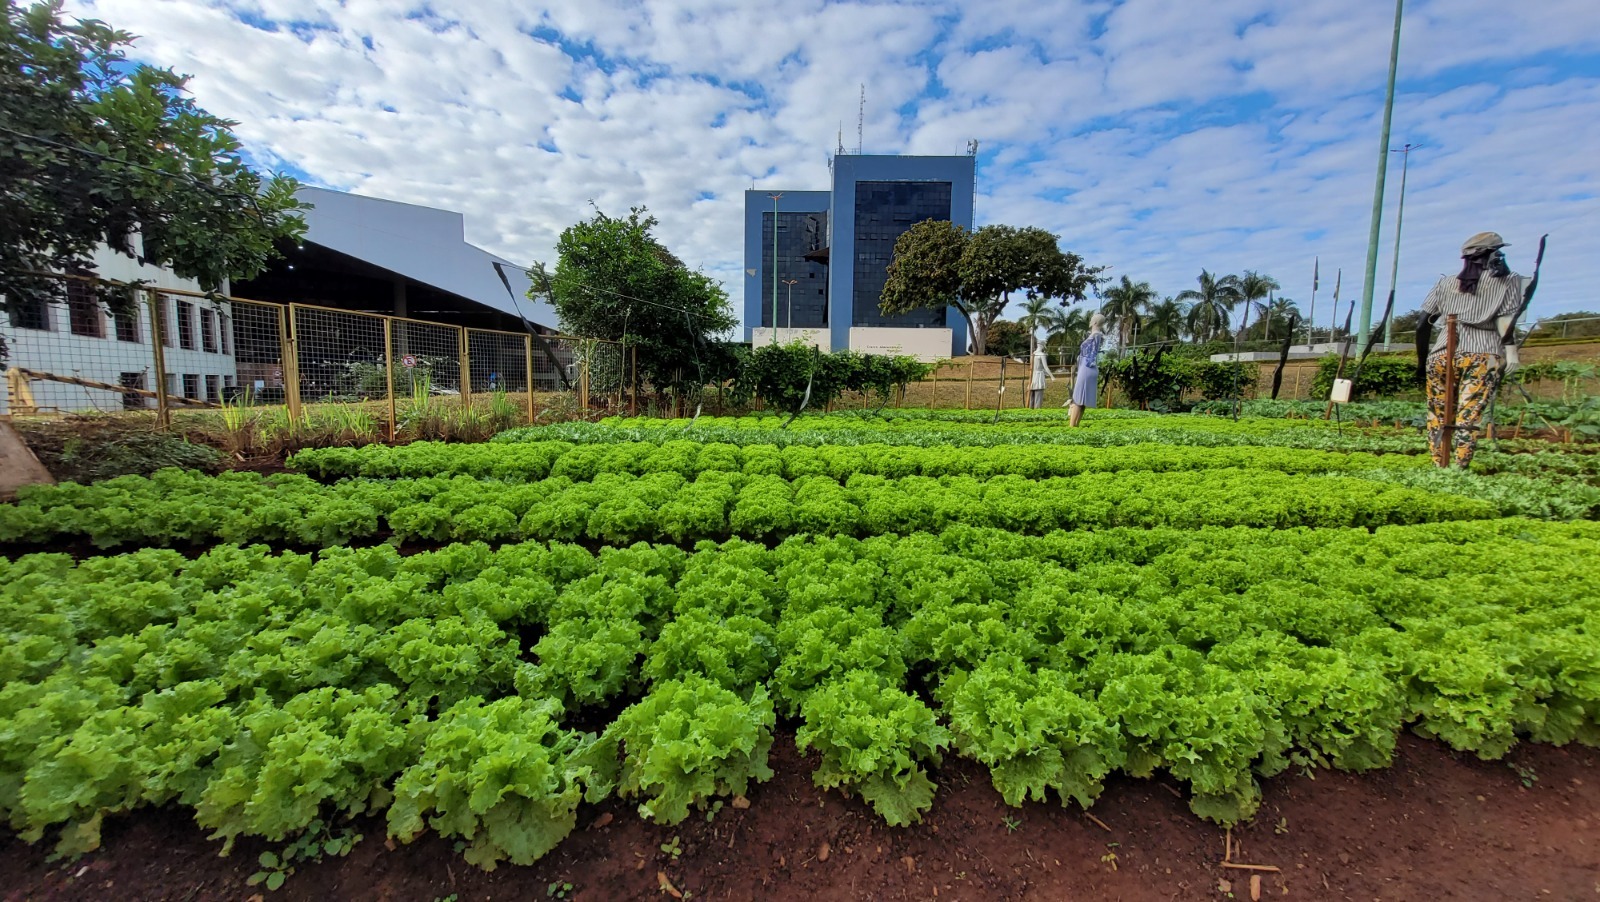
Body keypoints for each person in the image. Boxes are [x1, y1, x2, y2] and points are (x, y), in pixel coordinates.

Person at [1419, 231, 1524, 468]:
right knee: (1469, 414)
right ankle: (1459, 467)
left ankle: (1438, 464)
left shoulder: (1445, 283)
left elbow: (1422, 324)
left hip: (1440, 354)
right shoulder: (1509, 280)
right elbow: (1505, 321)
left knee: (1437, 413)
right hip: (1484, 354)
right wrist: (1511, 353)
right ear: (1493, 254)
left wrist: (1421, 361)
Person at [1068, 312, 1106, 427]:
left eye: (1092, 319)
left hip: (1087, 367)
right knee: (1082, 399)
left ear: (1095, 322)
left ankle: (1072, 426)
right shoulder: (1094, 335)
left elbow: (1093, 353)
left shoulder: (1096, 335)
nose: (1090, 321)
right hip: (1085, 367)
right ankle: (1075, 425)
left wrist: (1087, 363)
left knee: (1078, 398)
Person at [1027, 344, 1055, 408]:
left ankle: (1030, 410)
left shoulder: (1033, 354)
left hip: (1033, 375)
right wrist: (1052, 376)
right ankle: (1037, 410)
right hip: (1039, 376)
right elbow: (1046, 367)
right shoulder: (1042, 355)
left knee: (1032, 396)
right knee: (1038, 396)